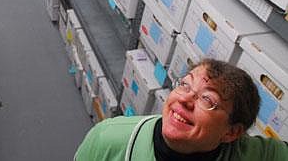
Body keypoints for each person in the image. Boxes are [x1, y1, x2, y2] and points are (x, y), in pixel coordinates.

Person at [74, 59, 288, 160]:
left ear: (231, 132)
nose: (185, 98)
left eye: (207, 98)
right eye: (185, 84)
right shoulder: (109, 139)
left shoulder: (253, 154)